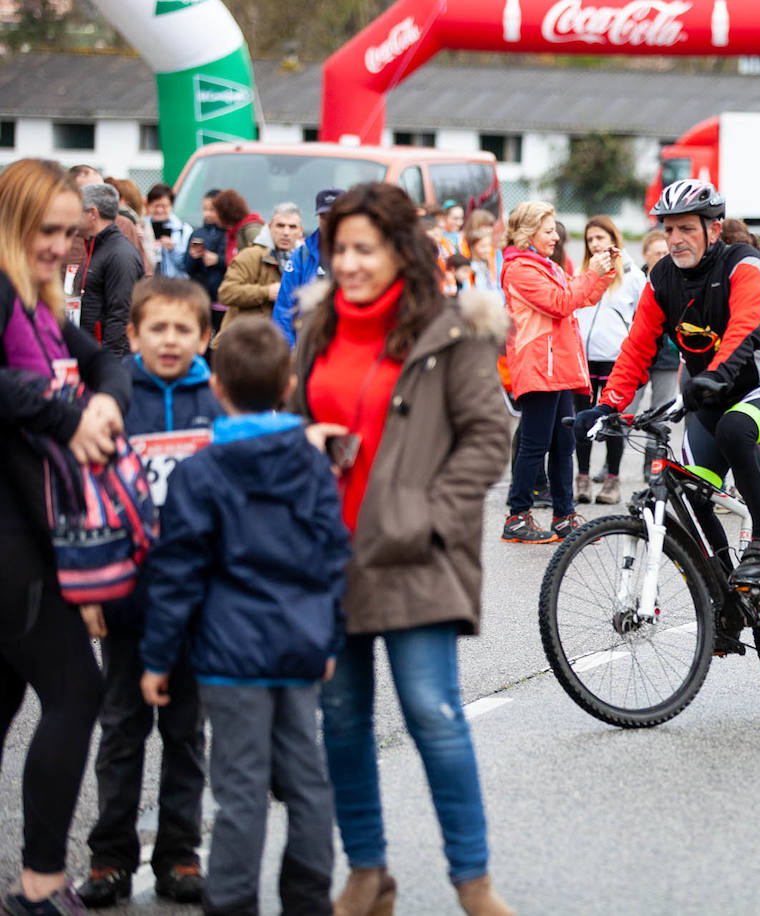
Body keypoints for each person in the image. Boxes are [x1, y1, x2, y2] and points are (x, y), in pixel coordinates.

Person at [286, 182, 515, 916]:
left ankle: (473, 882)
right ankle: (367, 872)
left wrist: (430, 515)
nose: (348, 263)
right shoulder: (315, 326)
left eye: (364, 249)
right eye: (339, 250)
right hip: (328, 555)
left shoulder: (451, 331)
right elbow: (293, 421)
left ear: (398, 253)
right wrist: (304, 444)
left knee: (433, 713)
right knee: (343, 719)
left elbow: (489, 436)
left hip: (414, 552)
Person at [139, 317, 347, 916]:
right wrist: (328, 636)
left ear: (217, 391)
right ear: (288, 383)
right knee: (306, 781)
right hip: (301, 644)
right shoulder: (311, 464)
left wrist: (157, 658)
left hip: (229, 658)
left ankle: (231, 903)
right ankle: (308, 900)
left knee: (239, 793)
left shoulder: (198, 473)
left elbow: (177, 575)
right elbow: (332, 553)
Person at [0, 158, 129, 915]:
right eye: (46, 232)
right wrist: (68, 415)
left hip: (34, 521)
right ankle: (42, 885)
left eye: (72, 235)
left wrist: (106, 403)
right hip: (11, 530)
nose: (62, 248)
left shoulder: (39, 301)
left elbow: (108, 364)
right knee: (76, 692)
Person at [580, 178, 760, 593]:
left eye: (686, 228)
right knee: (691, 491)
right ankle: (725, 594)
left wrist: (716, 376)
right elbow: (636, 346)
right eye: (668, 229)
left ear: (714, 229)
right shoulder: (662, 277)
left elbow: (745, 325)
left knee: (736, 428)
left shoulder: (744, 264)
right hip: (710, 396)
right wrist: (607, 405)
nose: (675, 239)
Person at [77, 276, 221, 910]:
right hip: (127, 602)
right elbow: (85, 499)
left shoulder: (215, 405)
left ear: (204, 336)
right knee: (122, 731)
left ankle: (180, 853)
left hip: (195, 605)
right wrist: (87, 591)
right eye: (155, 329)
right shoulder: (114, 401)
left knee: (187, 735)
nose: (169, 340)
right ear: (131, 335)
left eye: (182, 329)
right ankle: (110, 856)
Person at [501, 201, 615, 543]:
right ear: (528, 232)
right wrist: (592, 272)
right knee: (535, 446)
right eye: (549, 230)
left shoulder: (545, 265)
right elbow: (562, 302)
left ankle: (564, 516)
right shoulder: (520, 269)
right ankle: (517, 517)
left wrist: (604, 271)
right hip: (538, 367)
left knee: (563, 444)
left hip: (557, 367)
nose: (556, 237)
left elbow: (581, 296)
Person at [573, 215, 645, 506]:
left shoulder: (631, 274)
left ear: (614, 239)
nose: (595, 244)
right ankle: (583, 477)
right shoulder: (583, 272)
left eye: (600, 238)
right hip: (585, 359)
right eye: (590, 239)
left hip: (617, 358)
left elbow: (644, 315)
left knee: (614, 420)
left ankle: (612, 479)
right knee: (582, 420)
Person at [215, 201, 303, 347]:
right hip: (241, 343)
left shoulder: (306, 261)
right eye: (280, 226)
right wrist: (266, 292)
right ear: (270, 228)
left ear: (300, 231)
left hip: (283, 345)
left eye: (292, 227)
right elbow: (226, 293)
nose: (286, 232)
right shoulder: (250, 256)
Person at [77, 181, 145, 357]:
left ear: (92, 213)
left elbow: (121, 315)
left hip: (107, 360)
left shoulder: (120, 255)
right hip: (92, 353)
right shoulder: (97, 248)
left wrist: (108, 364)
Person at [274, 187, 341, 346]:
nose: (329, 222)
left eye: (334, 217)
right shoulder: (301, 255)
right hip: (307, 348)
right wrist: (290, 355)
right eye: (324, 217)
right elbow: (284, 309)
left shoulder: (359, 256)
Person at [640, 229, 681, 410]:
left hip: (668, 358)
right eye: (658, 253)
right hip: (641, 355)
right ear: (645, 255)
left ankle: (657, 440)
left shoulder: (679, 280)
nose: (663, 257)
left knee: (661, 412)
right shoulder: (636, 280)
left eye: (666, 253)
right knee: (625, 411)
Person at [184, 190, 227, 334]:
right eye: (204, 209)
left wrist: (218, 260)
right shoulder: (197, 233)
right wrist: (193, 256)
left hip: (222, 298)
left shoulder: (230, 233)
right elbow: (188, 268)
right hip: (201, 295)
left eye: (212, 209)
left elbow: (237, 263)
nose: (207, 214)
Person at [145, 183, 193, 279]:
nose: (159, 210)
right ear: (149, 205)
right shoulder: (142, 228)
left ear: (171, 206)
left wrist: (173, 249)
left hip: (175, 288)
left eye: (164, 206)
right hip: (149, 286)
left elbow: (187, 266)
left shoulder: (183, 230)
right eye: (156, 206)